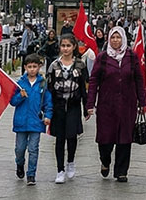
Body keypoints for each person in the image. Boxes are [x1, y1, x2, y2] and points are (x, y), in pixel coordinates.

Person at [88, 26, 146, 183]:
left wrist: (142, 101)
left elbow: (138, 80)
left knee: (125, 138)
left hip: (128, 103)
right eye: (113, 38)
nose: (115, 41)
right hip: (107, 104)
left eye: (118, 37)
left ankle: (121, 171)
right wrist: (90, 103)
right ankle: (105, 160)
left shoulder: (131, 56)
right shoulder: (103, 57)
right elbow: (93, 81)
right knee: (105, 138)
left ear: (123, 39)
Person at [46, 34, 90, 183]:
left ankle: (70, 161)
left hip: (74, 104)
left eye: (68, 46)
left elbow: (84, 87)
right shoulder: (54, 65)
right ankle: (60, 169)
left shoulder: (80, 65)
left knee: (71, 136)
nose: (65, 49)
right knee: (60, 138)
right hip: (58, 105)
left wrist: (86, 107)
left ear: (74, 47)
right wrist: (47, 109)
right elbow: (49, 88)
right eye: (63, 46)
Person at [10, 53, 52, 186]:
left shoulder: (43, 84)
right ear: (25, 67)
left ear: (39, 67)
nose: (32, 69)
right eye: (30, 67)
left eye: (35, 67)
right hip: (21, 122)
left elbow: (48, 102)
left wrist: (48, 116)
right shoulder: (20, 84)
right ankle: (20, 164)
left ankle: (31, 174)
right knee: (20, 149)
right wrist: (20, 96)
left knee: (33, 149)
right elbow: (12, 101)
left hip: (36, 122)